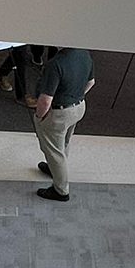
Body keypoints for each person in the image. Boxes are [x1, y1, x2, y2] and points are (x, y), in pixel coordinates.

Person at [30, 45, 94, 202]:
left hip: (59, 113)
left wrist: (39, 117)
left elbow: (45, 99)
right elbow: (91, 82)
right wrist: (75, 97)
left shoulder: (56, 63)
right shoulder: (84, 53)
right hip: (78, 107)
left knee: (53, 151)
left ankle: (61, 190)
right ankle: (56, 169)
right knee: (64, 142)